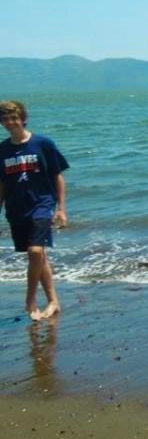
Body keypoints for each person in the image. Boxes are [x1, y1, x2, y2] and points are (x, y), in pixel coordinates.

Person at [0, 100, 69, 321]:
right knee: (40, 257)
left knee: (36, 252)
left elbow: (57, 175)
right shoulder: (2, 150)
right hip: (16, 209)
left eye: (13, 118)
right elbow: (1, 184)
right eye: (5, 119)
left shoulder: (43, 144)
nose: (9, 122)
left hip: (42, 204)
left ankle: (30, 301)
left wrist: (61, 208)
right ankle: (53, 301)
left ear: (23, 118)